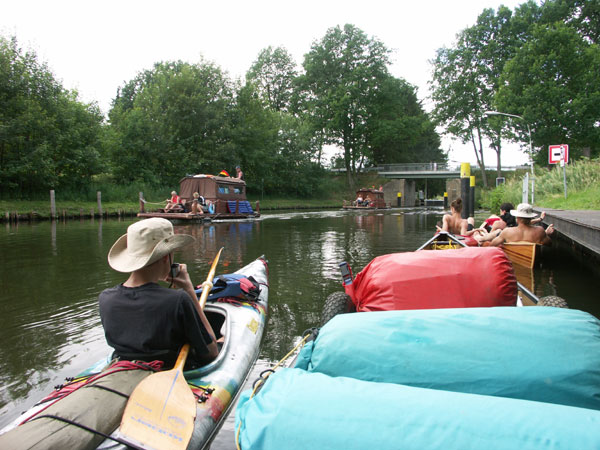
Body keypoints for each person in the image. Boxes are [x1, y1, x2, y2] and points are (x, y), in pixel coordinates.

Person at [98, 218, 218, 369]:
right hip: (169, 374)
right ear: (165, 257)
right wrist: (189, 291)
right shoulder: (178, 300)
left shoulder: (106, 298)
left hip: (124, 370)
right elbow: (211, 351)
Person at [487, 203, 554, 247]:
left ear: (517, 218)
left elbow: (491, 245)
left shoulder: (507, 231)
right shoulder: (540, 230)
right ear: (530, 217)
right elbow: (549, 244)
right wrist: (546, 234)